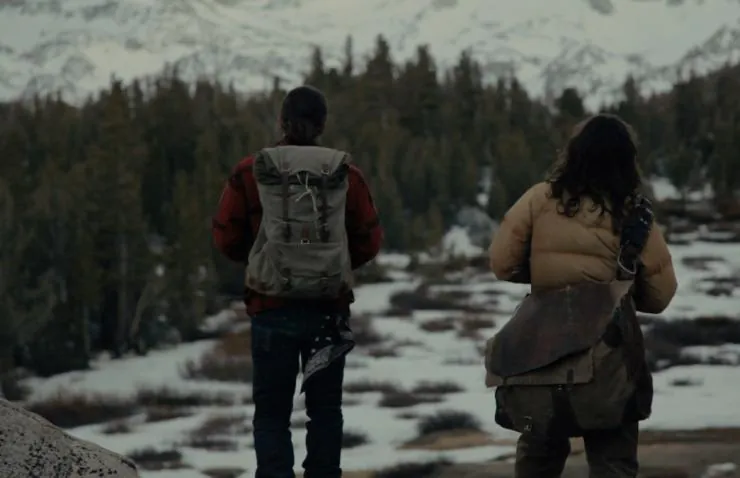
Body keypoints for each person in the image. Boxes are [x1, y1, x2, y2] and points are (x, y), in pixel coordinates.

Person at [488, 114, 677, 477]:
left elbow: (501, 263)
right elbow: (660, 296)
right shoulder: (635, 214)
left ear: (573, 153)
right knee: (613, 460)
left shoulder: (539, 199)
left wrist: (548, 278)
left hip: (542, 352)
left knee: (538, 457)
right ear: (627, 160)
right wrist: (619, 285)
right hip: (611, 358)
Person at [212, 85, 383, 478]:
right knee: (325, 412)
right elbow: (370, 240)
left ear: (282, 121)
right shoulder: (345, 174)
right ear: (322, 125)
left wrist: (264, 260)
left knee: (271, 415)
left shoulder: (251, 171)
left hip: (270, 307)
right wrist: (332, 265)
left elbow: (225, 237)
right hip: (328, 311)